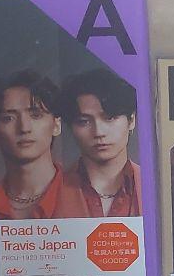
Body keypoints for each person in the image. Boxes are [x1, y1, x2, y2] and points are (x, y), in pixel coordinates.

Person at [56, 68, 142, 217]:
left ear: (132, 120)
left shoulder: (154, 186)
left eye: (109, 118)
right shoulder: (54, 191)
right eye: (84, 121)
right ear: (71, 127)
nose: (99, 132)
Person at [0, 70, 64, 220]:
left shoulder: (84, 199)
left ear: (56, 125)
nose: (24, 128)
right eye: (8, 118)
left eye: (36, 115)